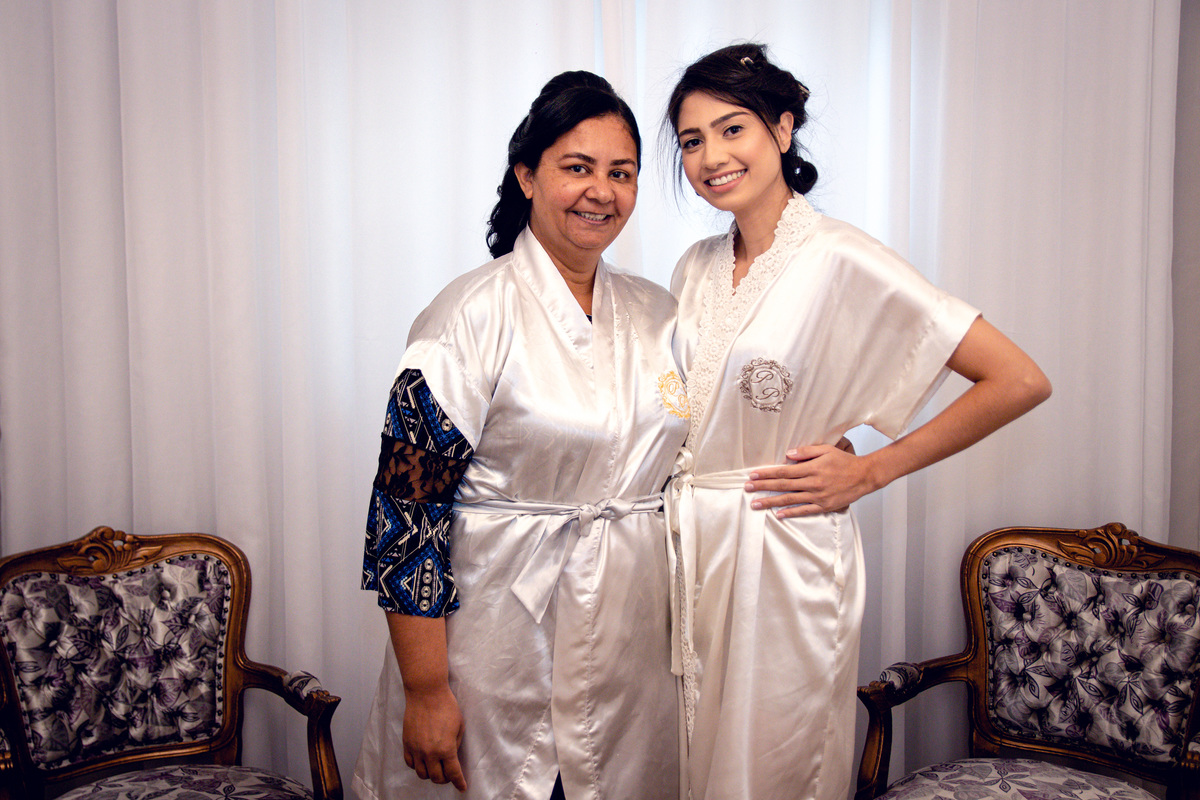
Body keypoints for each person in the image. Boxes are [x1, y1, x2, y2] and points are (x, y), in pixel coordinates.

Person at [663, 43, 1052, 800]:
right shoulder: (695, 267)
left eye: (733, 128)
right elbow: (682, 407)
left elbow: (1018, 380)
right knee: (692, 762)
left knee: (771, 766)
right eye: (691, 140)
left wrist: (871, 469)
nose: (711, 156)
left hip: (784, 548)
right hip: (690, 552)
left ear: (782, 128)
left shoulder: (842, 258)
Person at [352, 71, 689, 800]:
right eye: (578, 167)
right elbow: (405, 514)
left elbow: (706, 455)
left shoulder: (660, 314)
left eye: (621, 172)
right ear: (527, 175)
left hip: (631, 642)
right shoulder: (468, 314)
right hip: (494, 645)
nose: (601, 191)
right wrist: (426, 690)